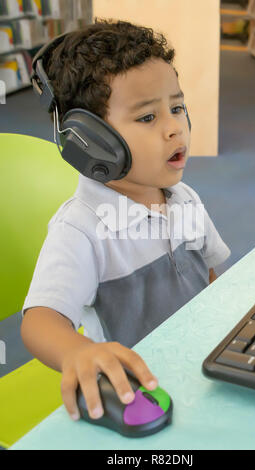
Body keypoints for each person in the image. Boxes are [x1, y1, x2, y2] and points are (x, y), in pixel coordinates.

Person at [21, 18, 231, 424]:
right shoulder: (81, 230)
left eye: (176, 107)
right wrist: (78, 351)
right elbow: (40, 321)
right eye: (147, 118)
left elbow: (208, 277)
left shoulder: (184, 199)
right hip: (147, 388)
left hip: (205, 369)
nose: (175, 128)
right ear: (91, 141)